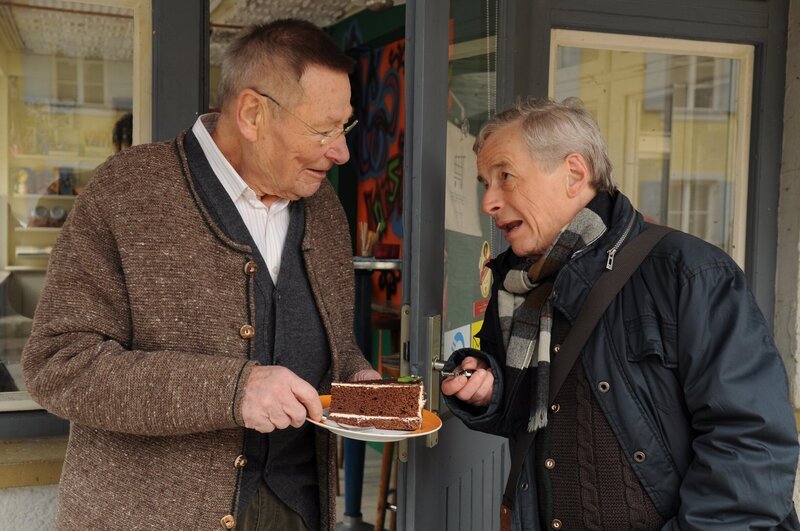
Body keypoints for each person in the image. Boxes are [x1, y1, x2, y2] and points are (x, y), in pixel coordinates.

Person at [22, 19, 379, 531]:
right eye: (323, 130)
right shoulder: (127, 192)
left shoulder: (324, 209)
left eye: (344, 127)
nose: (340, 151)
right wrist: (233, 390)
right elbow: (59, 365)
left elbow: (330, 345)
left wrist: (356, 379)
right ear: (253, 113)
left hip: (297, 511)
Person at [441, 98, 799, 530]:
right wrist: (490, 392)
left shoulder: (689, 272)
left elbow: (752, 447)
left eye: (505, 177)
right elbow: (527, 413)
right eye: (485, 183)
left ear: (574, 174)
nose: (488, 202)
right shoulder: (516, 283)